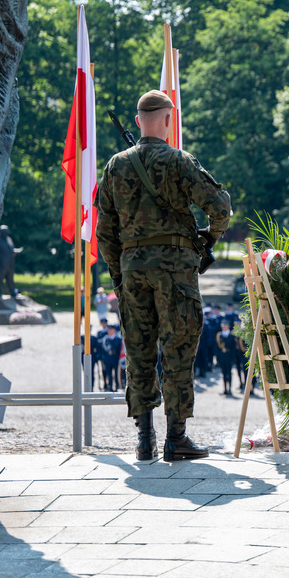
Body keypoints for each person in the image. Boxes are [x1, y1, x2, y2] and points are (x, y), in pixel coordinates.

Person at [95, 89, 232, 462]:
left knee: (138, 351)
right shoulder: (180, 161)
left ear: (139, 122)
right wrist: (210, 236)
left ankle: (144, 439)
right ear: (169, 121)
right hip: (175, 273)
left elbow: (104, 231)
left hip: (132, 270)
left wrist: (118, 276)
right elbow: (220, 207)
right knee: (178, 349)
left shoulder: (115, 166)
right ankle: (176, 438)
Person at [214, 320, 236, 396]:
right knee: (223, 373)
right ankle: (225, 389)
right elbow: (217, 348)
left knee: (229, 373)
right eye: (222, 325)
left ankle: (230, 389)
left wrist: (233, 359)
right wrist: (217, 358)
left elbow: (233, 349)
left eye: (225, 325)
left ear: (228, 326)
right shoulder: (219, 335)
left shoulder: (231, 335)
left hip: (229, 356)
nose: (223, 327)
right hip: (222, 356)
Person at [100, 324, 123, 392]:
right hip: (107, 359)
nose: (110, 331)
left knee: (116, 374)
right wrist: (103, 359)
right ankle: (110, 386)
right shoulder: (105, 339)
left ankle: (116, 387)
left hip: (115, 358)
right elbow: (103, 350)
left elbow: (119, 350)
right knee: (108, 373)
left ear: (114, 330)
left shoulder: (118, 339)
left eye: (111, 330)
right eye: (109, 330)